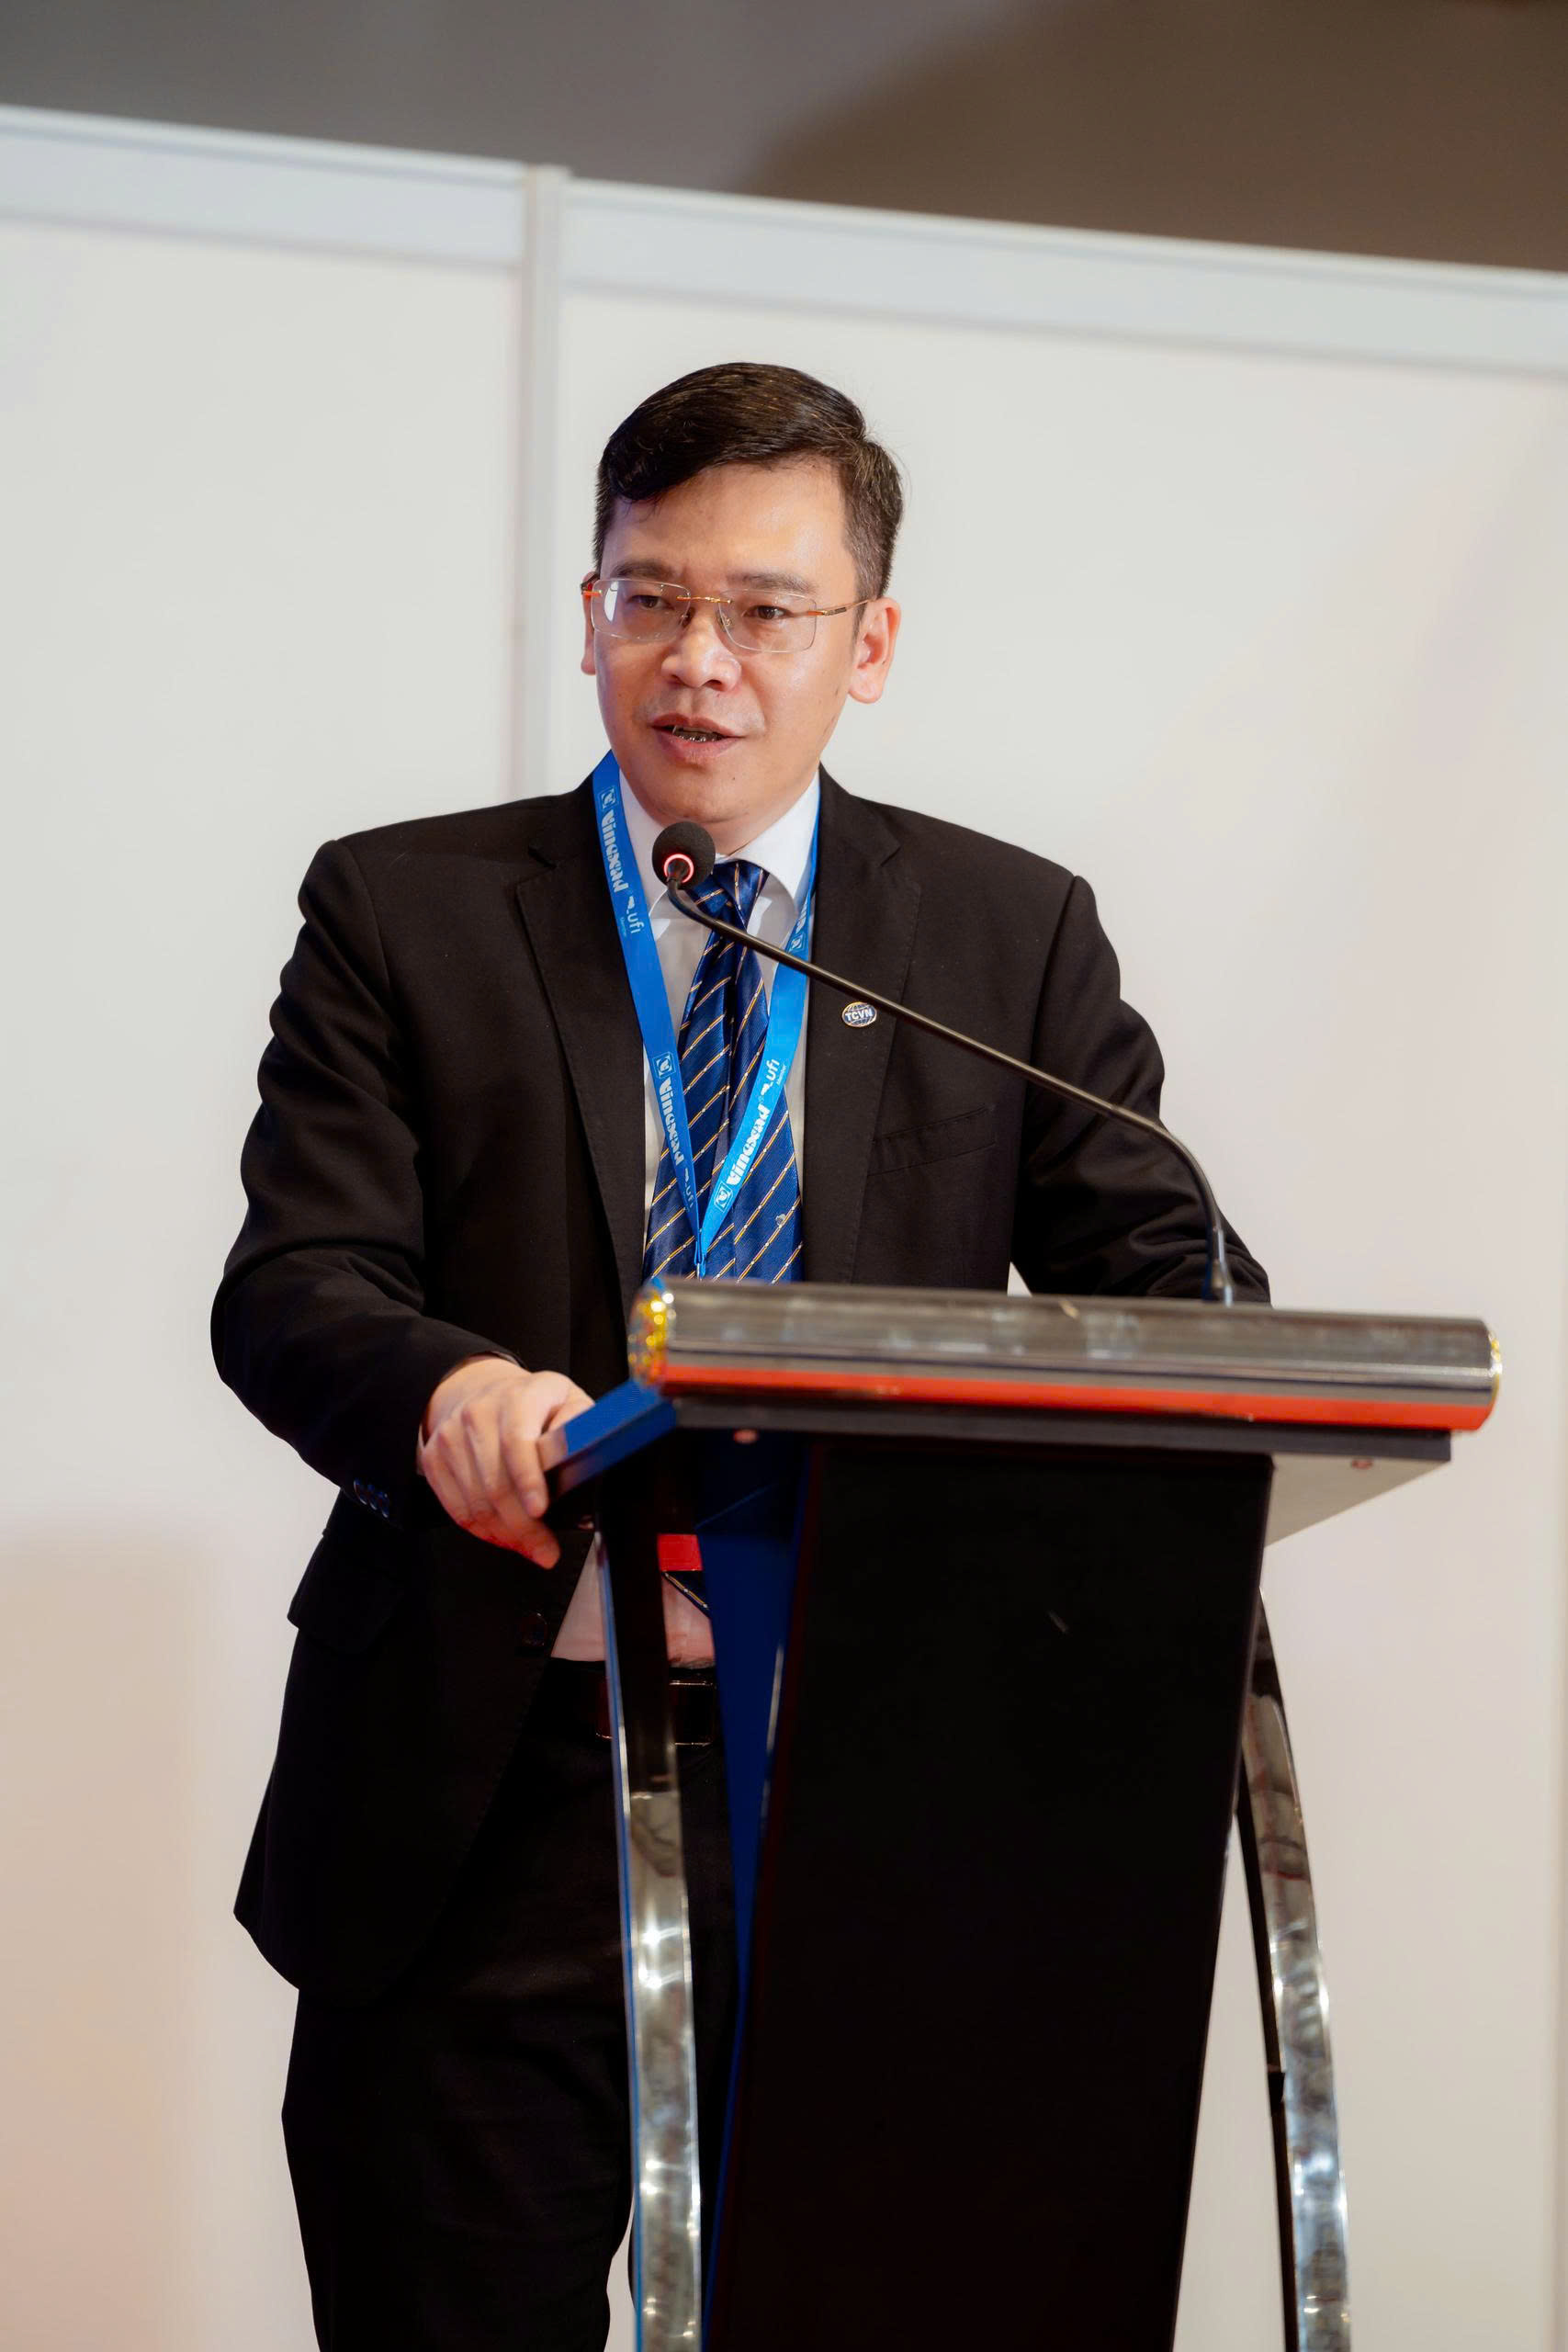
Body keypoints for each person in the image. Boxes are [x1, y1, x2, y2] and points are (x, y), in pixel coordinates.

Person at [214, 359, 1267, 2351]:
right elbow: (295, 1281)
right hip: (485, 1787)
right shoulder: (405, 908)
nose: (697, 659)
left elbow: (1173, 1285)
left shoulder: (1001, 938)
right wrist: (447, 1388)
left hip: (860, 1792)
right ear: (589, 611)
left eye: (764, 611)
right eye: (651, 598)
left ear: (868, 645)